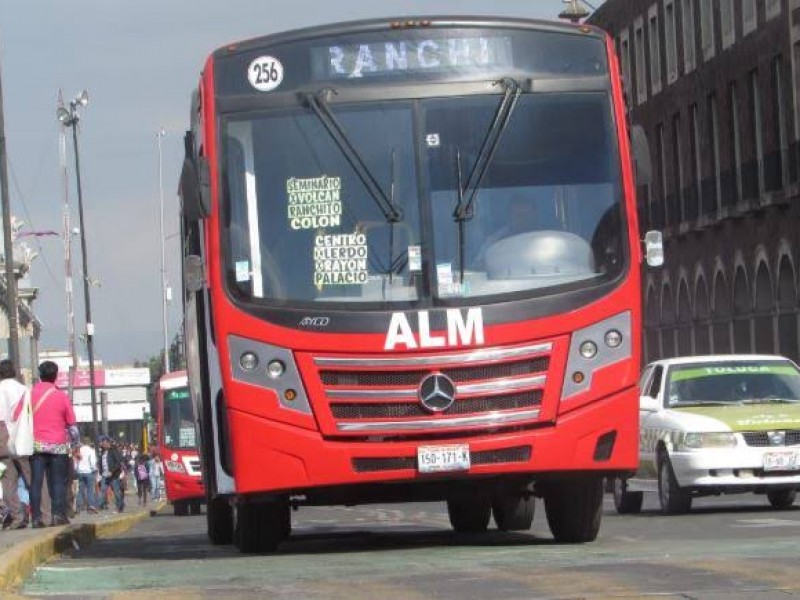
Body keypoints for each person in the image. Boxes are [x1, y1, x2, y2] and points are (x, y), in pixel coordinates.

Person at [29, 360, 78, 528]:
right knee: (58, 481)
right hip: (58, 445)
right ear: (55, 376)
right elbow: (72, 424)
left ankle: (36, 518)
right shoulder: (61, 396)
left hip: (36, 445)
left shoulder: (30, 394)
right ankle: (57, 515)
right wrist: (75, 443)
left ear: (40, 375)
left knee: (36, 481)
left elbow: (19, 416)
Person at [0, 359, 31, 529]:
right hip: (23, 439)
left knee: (8, 483)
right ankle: (42, 514)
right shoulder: (24, 390)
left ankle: (17, 517)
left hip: (4, 443)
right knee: (31, 479)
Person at [475, 196, 538, 268]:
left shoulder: (548, 238)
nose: (524, 220)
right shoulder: (495, 241)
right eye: (519, 215)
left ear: (535, 215)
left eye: (527, 215)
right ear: (509, 217)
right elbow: (477, 266)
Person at [98, 436, 124, 513]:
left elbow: (118, 463)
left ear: (109, 443)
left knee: (116, 491)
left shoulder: (113, 451)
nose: (104, 444)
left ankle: (119, 507)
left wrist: (112, 471)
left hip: (113, 475)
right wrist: (101, 471)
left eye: (105, 442)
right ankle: (99, 506)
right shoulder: (102, 452)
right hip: (104, 475)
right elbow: (101, 463)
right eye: (103, 442)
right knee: (103, 490)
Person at [75, 437, 99, 514]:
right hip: (89, 472)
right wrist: (94, 469)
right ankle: (90, 507)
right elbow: (92, 462)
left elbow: (76, 461)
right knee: (90, 490)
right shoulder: (91, 450)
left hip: (80, 472)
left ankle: (78, 507)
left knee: (80, 490)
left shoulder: (79, 450)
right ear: (89, 442)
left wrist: (77, 469)